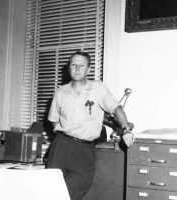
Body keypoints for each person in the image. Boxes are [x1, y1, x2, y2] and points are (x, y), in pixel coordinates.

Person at [46, 51, 135, 200]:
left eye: (81, 65)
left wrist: (125, 129)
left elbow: (116, 108)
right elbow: (53, 120)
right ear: (69, 68)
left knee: (71, 194)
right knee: (50, 193)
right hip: (61, 146)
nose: (77, 68)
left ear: (88, 69)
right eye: (73, 65)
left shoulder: (98, 89)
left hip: (84, 149)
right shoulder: (60, 92)